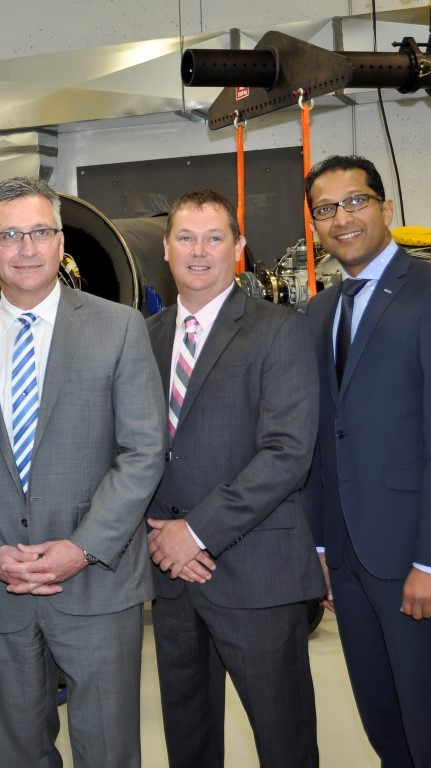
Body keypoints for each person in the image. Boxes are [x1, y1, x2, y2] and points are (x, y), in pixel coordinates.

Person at [0, 176, 165, 768]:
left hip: (96, 583)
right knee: (20, 753)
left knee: (107, 751)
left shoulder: (118, 327)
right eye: (9, 235)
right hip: (2, 587)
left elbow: (143, 451)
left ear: (61, 242)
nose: (26, 248)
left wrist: (82, 547)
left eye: (40, 232)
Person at [304, 155, 431, 767]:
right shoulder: (321, 311)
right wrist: (321, 548)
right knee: (383, 723)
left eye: (355, 201)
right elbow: (323, 438)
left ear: (385, 209)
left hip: (415, 556)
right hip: (348, 558)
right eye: (325, 209)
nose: (342, 218)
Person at [145, 188, 324, 767]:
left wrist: (195, 532)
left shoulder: (279, 329)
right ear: (166, 249)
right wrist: (156, 535)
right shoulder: (145, 336)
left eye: (214, 238)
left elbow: (287, 453)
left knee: (284, 742)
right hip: (171, 579)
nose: (199, 252)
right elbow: (133, 449)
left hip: (257, 576)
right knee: (189, 744)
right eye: (185, 238)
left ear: (238, 247)